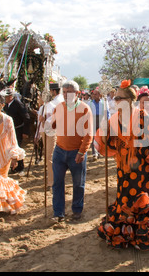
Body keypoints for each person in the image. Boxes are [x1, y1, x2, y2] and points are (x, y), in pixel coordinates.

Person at [94, 79, 149, 250]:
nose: (115, 101)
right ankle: (125, 234)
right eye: (115, 98)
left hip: (141, 167)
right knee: (123, 197)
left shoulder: (143, 117)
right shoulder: (114, 119)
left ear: (128, 100)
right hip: (122, 167)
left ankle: (141, 235)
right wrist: (104, 133)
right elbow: (108, 143)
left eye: (119, 98)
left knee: (139, 197)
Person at [49, 80, 93, 222]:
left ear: (77, 93)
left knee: (78, 183)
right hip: (59, 150)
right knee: (57, 183)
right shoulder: (58, 107)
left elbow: (88, 134)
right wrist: (46, 116)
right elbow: (54, 125)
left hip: (76, 151)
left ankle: (77, 209)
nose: (67, 94)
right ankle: (58, 212)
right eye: (65, 92)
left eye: (70, 92)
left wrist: (82, 152)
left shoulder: (85, 109)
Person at [39, 83, 64, 187]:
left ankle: (52, 181)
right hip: (45, 131)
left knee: (50, 156)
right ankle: (51, 178)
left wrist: (45, 120)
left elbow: (56, 119)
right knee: (48, 156)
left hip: (52, 131)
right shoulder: (42, 107)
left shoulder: (54, 105)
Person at [4, 88, 31, 174]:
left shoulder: (18, 104)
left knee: (17, 147)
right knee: (10, 148)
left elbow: (26, 117)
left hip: (18, 129)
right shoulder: (6, 105)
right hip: (9, 131)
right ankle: (13, 167)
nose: (5, 98)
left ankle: (20, 167)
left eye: (6, 96)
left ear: (10, 96)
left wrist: (25, 131)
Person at [87, 88, 109, 161]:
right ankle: (94, 154)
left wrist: (107, 121)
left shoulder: (104, 102)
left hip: (101, 120)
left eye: (96, 94)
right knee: (93, 137)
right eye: (93, 94)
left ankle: (99, 151)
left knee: (100, 137)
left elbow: (107, 112)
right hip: (92, 120)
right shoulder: (89, 103)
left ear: (99, 95)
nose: (94, 95)